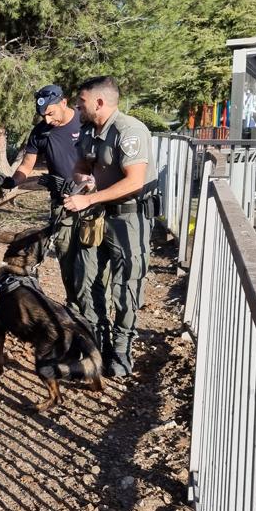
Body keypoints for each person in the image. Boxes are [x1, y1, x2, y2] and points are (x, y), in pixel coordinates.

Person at [62, 76, 158, 378]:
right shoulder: (90, 131)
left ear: (99, 103)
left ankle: (120, 351)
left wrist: (89, 201)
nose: (77, 106)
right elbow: (82, 165)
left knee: (127, 285)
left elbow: (134, 181)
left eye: (82, 101)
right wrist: (82, 179)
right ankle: (97, 345)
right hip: (99, 215)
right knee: (87, 280)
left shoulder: (129, 131)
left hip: (129, 218)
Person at [1, 83, 83, 304]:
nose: (47, 120)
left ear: (63, 102)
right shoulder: (40, 132)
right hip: (62, 204)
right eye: (42, 115)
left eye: (50, 113)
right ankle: (74, 306)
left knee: (90, 257)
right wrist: (13, 180)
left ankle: (94, 311)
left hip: (91, 201)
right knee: (66, 256)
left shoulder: (84, 122)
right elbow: (27, 166)